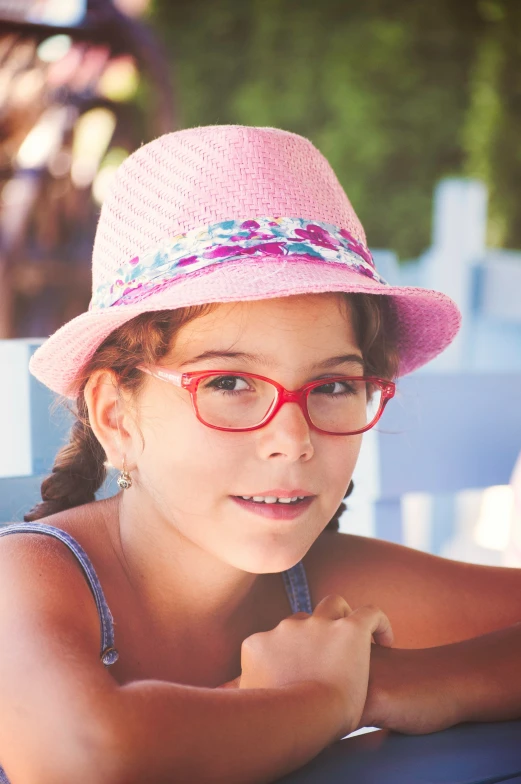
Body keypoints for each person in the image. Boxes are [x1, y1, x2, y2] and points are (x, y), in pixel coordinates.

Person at [0, 125, 520, 784]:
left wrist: (406, 680)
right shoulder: (26, 575)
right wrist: (322, 700)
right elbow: (83, 757)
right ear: (115, 415)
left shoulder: (323, 585)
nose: (292, 438)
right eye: (229, 384)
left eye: (333, 385)